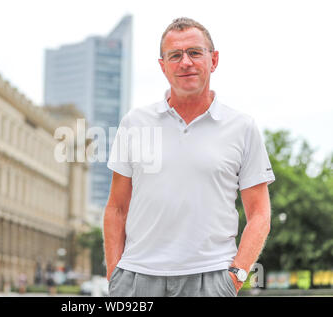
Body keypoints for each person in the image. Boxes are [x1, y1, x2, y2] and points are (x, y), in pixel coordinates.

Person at [104, 17, 275, 297]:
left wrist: (236, 275)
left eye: (195, 52)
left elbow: (259, 214)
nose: (185, 62)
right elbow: (116, 208)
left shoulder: (242, 127)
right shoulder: (134, 123)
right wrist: (115, 273)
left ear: (214, 60)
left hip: (210, 280)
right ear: (163, 66)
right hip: (136, 280)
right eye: (175, 55)